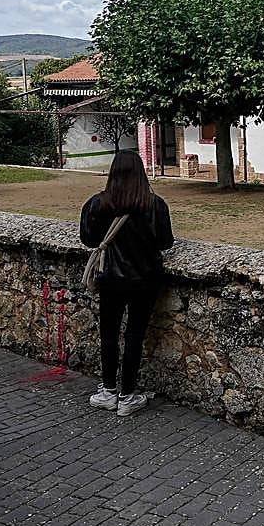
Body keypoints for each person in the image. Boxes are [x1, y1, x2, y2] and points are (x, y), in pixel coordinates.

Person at [79, 151, 174, 416]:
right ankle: (128, 394)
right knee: (134, 335)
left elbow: (87, 239)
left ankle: (108, 391)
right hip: (144, 279)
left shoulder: (97, 204)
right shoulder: (154, 205)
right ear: (141, 173)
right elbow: (165, 242)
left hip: (110, 277)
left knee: (108, 334)